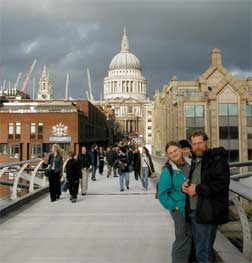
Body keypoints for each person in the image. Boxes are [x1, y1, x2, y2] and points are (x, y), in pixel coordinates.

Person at [182, 129, 230, 262]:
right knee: (200, 251)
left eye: (200, 143)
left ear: (206, 142)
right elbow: (198, 180)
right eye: (194, 143)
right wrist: (186, 184)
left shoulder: (217, 160)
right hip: (194, 211)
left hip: (207, 212)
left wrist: (197, 189)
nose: (197, 146)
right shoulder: (195, 160)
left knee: (203, 253)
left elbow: (221, 185)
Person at [158, 141, 192, 263]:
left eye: (175, 150)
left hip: (194, 207)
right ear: (168, 156)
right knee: (182, 238)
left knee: (192, 237)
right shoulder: (168, 171)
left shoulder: (191, 163)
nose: (174, 154)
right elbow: (162, 194)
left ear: (180, 149)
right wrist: (174, 207)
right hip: (180, 210)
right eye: (170, 153)